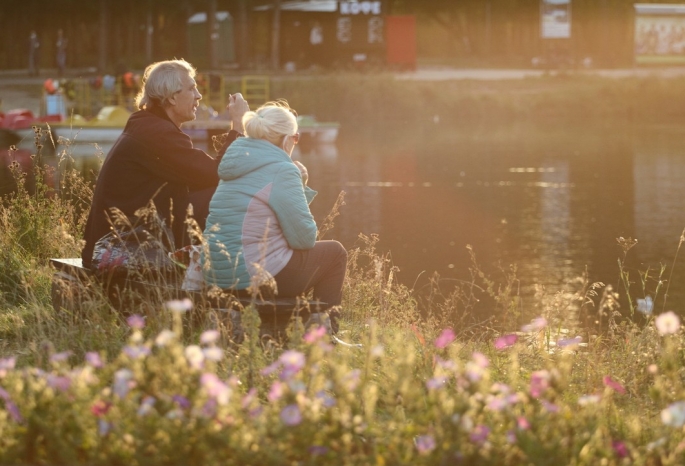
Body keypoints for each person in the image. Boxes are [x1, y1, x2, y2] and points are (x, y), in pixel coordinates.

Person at [81, 58, 249, 269]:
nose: (199, 96)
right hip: (117, 249)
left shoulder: (148, 125)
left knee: (213, 193)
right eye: (192, 88)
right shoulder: (157, 134)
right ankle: (232, 270)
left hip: (111, 243)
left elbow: (204, 174)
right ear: (171, 97)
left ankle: (217, 268)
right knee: (225, 194)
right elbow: (218, 172)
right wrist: (238, 124)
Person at [202, 101, 347, 333]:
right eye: (296, 138)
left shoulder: (234, 164)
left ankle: (291, 325)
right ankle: (324, 334)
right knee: (335, 253)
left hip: (217, 275)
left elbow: (265, 215)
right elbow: (304, 239)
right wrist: (298, 183)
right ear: (285, 139)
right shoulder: (283, 169)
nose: (294, 144)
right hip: (253, 278)